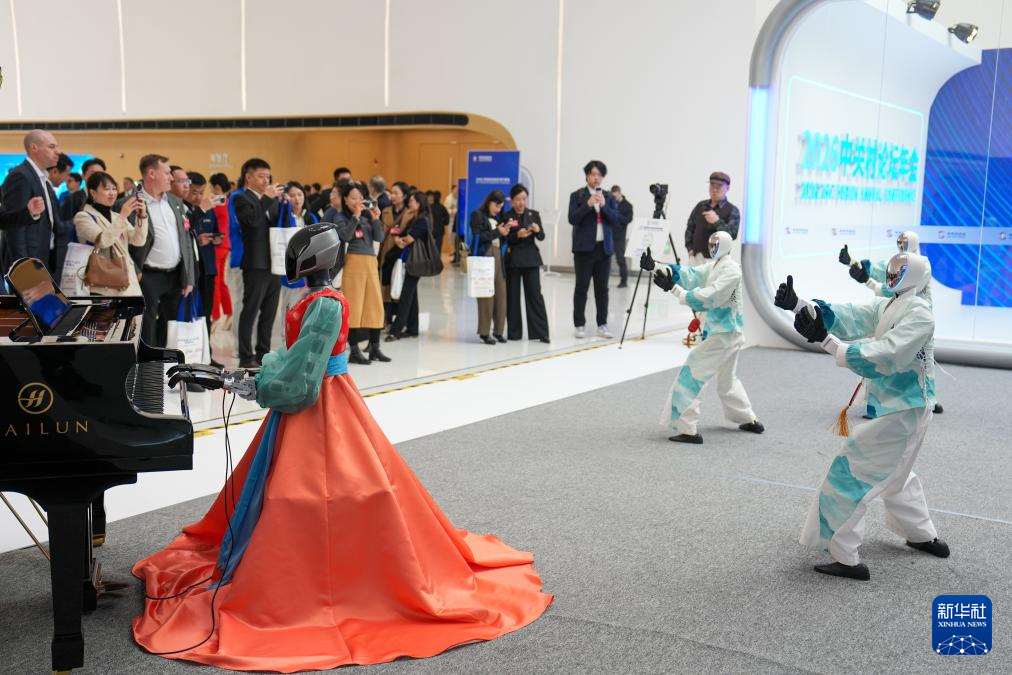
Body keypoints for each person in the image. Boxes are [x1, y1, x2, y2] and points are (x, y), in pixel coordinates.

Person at [135, 224, 551, 670]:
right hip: (324, 400)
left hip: (321, 402)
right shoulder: (317, 300)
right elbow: (296, 362)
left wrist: (247, 383)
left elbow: (302, 379)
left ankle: (318, 579)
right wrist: (250, 377)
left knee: (310, 490)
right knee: (323, 487)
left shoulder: (325, 304)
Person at [772, 253, 949, 580]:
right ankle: (921, 534)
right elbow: (850, 314)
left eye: (899, 270)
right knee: (897, 475)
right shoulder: (891, 304)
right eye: (892, 269)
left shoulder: (920, 313)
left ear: (914, 275)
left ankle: (845, 555)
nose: (892, 274)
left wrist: (828, 342)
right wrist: (799, 305)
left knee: (850, 472)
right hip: (898, 406)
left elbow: (888, 353)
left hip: (904, 411)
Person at [642, 231, 764, 444]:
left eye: (716, 244)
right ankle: (748, 418)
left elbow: (711, 297)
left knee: (693, 373)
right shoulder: (715, 266)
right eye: (711, 244)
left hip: (724, 334)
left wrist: (674, 289)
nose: (712, 247)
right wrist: (656, 266)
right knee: (727, 381)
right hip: (727, 333)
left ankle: (687, 428)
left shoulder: (731, 271)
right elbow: (690, 274)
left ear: (725, 245)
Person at [839, 232, 943, 415]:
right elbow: (880, 270)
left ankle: (928, 399)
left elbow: (898, 287)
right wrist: (852, 262)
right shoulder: (899, 261)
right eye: (899, 242)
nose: (901, 245)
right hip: (895, 311)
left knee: (923, 361)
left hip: (917, 318)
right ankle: (876, 404)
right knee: (881, 354)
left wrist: (869, 282)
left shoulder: (921, 265)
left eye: (904, 242)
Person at [129, 154, 196, 348]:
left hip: (175, 274)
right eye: (167, 173)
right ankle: (147, 363)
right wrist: (135, 271)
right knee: (147, 325)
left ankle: (169, 361)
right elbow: (123, 244)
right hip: (147, 275)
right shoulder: (132, 203)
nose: (171, 178)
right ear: (151, 174)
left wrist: (189, 277)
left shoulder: (175, 202)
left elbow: (185, 241)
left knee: (172, 325)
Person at [234, 158, 283, 368]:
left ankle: (263, 353)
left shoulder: (272, 200)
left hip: (274, 262)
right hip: (255, 263)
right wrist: (267, 199)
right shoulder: (241, 198)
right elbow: (251, 222)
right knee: (250, 310)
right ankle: (246, 356)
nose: (266, 181)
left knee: (269, 312)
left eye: (268, 177)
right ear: (248, 177)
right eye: (261, 176)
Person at [1, 130, 71, 276]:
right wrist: (22, 266)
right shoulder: (21, 175)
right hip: (29, 260)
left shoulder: (40, 177)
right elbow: (14, 228)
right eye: (51, 147)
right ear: (34, 148)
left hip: (43, 255)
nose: (57, 152)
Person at [335, 182, 389, 364]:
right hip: (353, 264)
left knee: (375, 306)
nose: (357, 201)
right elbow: (345, 236)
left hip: (370, 263)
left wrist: (376, 218)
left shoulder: (367, 217)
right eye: (353, 198)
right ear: (345, 199)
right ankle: (354, 350)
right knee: (354, 306)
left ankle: (375, 347)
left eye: (360, 197)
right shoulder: (341, 217)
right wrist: (356, 217)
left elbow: (379, 237)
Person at [73, 171, 148, 296]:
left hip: (127, 281)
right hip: (102, 285)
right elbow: (103, 241)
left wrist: (142, 215)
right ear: (93, 193)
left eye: (114, 189)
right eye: (107, 189)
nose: (112, 193)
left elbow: (138, 241)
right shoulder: (83, 217)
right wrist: (123, 216)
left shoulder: (116, 216)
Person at [568, 160, 619, 339]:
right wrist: (587, 205)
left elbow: (616, 220)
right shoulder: (577, 196)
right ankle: (579, 325)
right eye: (593, 174)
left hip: (603, 250)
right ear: (587, 176)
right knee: (581, 288)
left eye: (599, 174)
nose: (596, 177)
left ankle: (602, 325)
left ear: (603, 177)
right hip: (583, 250)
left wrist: (604, 206)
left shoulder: (609, 197)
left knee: (602, 289)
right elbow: (572, 218)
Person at [503, 184, 549, 343]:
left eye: (524, 199)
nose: (521, 202)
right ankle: (514, 333)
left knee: (535, 295)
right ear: (511, 200)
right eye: (517, 199)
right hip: (513, 260)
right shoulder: (506, 215)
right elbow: (504, 239)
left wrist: (537, 230)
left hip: (531, 260)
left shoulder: (534, 214)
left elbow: (542, 237)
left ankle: (541, 333)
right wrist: (517, 236)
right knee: (512, 296)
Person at [386, 190, 430, 341]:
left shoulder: (422, 221)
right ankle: (413, 328)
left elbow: (408, 239)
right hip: (409, 261)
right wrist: (400, 239)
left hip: (415, 263)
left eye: (412, 201)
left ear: (419, 203)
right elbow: (401, 235)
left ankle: (396, 330)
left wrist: (401, 240)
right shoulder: (415, 219)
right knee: (412, 295)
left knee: (405, 296)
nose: (409, 203)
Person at [183, 172, 221, 343]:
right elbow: (185, 231)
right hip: (190, 270)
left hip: (208, 267)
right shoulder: (183, 210)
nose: (198, 197)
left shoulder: (208, 210)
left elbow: (216, 231)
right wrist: (198, 241)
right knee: (188, 312)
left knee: (206, 311)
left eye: (201, 192)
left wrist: (217, 239)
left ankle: (206, 350)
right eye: (194, 192)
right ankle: (188, 348)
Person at [469, 190, 509, 344]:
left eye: (500, 207)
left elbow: (499, 240)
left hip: (498, 255)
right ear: (489, 202)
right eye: (496, 206)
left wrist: (504, 234)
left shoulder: (498, 218)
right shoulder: (477, 215)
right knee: (485, 295)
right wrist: (496, 232)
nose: (498, 209)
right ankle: (484, 333)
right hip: (485, 255)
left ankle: (498, 331)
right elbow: (477, 237)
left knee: (501, 295)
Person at [684, 172, 740, 265]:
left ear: (727, 188)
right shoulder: (700, 206)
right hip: (696, 259)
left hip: (718, 262)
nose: (714, 189)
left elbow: (732, 235)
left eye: (719, 186)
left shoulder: (732, 210)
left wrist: (717, 221)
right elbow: (690, 229)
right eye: (712, 185)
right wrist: (690, 250)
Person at [379, 181, 409, 325]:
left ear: (405, 196)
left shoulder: (409, 213)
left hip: (401, 254)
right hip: (386, 253)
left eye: (396, 193)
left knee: (399, 283)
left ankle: (400, 320)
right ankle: (386, 318)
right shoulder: (385, 211)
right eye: (392, 192)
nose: (393, 196)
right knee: (385, 285)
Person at [207, 173, 233, 329]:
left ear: (217, 187)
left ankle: (215, 316)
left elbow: (219, 226)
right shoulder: (227, 200)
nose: (210, 190)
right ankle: (229, 313)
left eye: (211, 187)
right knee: (221, 281)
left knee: (215, 282)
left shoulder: (218, 201)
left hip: (218, 245)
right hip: (225, 245)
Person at [610, 185, 634, 288]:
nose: (614, 198)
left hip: (619, 237)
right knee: (604, 259)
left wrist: (616, 215)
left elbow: (628, 219)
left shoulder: (628, 205)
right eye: (613, 197)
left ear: (620, 193)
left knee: (620, 259)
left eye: (615, 196)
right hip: (609, 236)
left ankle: (624, 281)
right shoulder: (610, 203)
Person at [427, 190, 450, 255]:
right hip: (440, 230)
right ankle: (437, 260)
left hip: (430, 230)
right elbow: (447, 221)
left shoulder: (429, 207)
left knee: (430, 247)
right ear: (440, 197)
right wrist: (442, 222)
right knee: (438, 247)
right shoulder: (442, 208)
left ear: (433, 198)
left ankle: (430, 259)